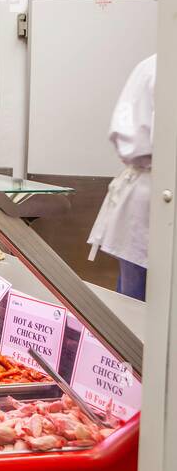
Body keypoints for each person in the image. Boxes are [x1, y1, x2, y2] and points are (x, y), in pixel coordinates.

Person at [89, 53, 156, 299]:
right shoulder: (157, 67)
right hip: (149, 200)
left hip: (149, 197)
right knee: (135, 304)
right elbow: (133, 143)